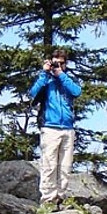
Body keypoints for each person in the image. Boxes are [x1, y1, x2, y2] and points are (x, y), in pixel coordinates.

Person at [28, 48, 82, 204]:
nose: (58, 66)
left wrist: (61, 75)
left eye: (62, 63)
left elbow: (77, 91)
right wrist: (45, 73)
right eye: (55, 63)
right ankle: (48, 198)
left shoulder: (67, 80)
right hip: (50, 127)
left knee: (65, 166)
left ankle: (61, 196)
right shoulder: (46, 81)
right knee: (49, 165)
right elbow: (32, 94)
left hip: (68, 128)